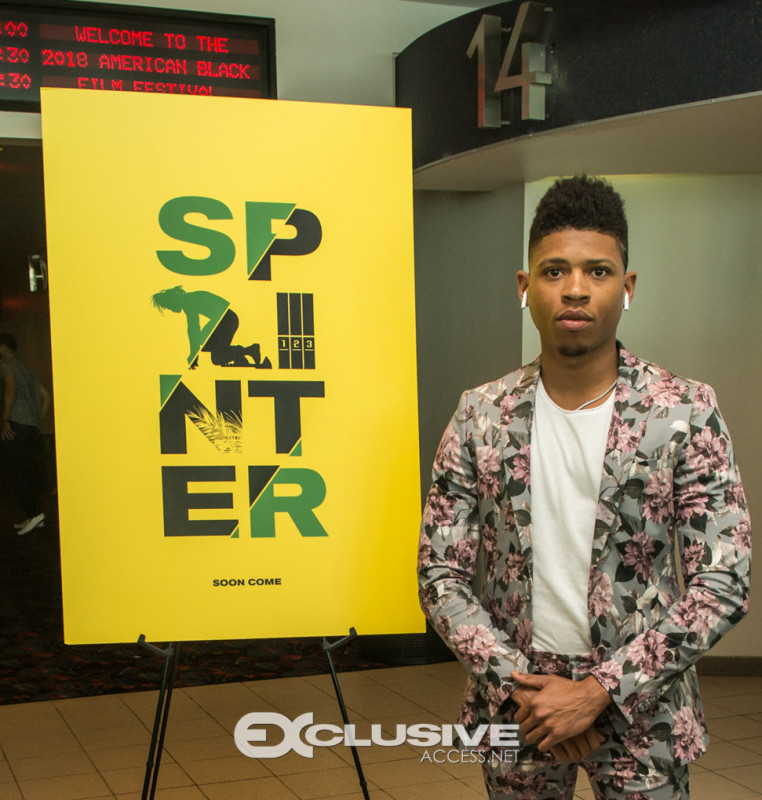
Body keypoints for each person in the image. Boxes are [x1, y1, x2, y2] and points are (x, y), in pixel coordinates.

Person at [418, 175, 751, 799]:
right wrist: (525, 689)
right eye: (554, 271)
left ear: (627, 287)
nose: (575, 288)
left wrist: (600, 691)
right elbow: (441, 575)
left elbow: (723, 580)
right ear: (525, 287)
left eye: (598, 271)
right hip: (518, 707)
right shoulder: (480, 415)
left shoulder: (683, 411)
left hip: (644, 709)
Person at [0, 333, 51, 535]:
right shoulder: (27, 370)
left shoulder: (6, 364)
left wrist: (5, 419)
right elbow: (46, 397)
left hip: (16, 425)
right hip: (30, 427)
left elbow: (10, 389)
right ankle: (33, 516)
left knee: (18, 471)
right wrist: (36, 421)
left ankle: (35, 513)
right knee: (27, 470)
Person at [151, 286, 272, 369]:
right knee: (214, 355)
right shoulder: (189, 299)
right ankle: (243, 352)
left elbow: (193, 328)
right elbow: (194, 330)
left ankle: (248, 351)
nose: (172, 310)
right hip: (225, 320)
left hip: (226, 320)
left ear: (173, 300)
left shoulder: (188, 301)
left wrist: (193, 354)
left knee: (216, 356)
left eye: (170, 306)